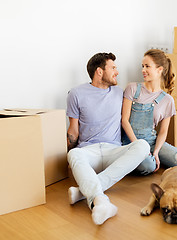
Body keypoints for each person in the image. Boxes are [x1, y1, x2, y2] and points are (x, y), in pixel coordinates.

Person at [66, 52, 150, 225]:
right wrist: (68, 156)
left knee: (142, 146)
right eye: (112, 68)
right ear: (99, 71)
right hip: (89, 151)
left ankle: (87, 192)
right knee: (74, 154)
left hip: (114, 151)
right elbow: (73, 131)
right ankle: (101, 201)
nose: (116, 72)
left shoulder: (120, 93)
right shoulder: (76, 93)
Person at [121, 49, 177, 175]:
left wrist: (156, 151)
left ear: (159, 70)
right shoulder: (132, 89)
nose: (143, 70)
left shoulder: (167, 100)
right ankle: (146, 161)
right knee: (148, 166)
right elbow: (124, 121)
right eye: (142, 66)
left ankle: (154, 158)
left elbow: (163, 131)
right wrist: (138, 145)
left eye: (147, 66)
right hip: (131, 143)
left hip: (152, 142)